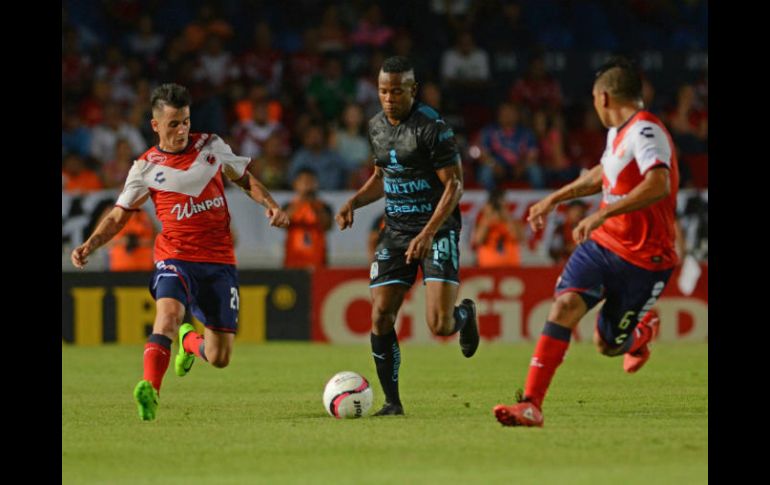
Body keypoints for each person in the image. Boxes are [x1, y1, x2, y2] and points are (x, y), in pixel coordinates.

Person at [71, 83, 289, 421]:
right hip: (174, 257)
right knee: (169, 316)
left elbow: (246, 179)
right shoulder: (145, 168)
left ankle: (189, 344)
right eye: (173, 123)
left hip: (218, 261)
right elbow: (118, 216)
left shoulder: (212, 146)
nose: (182, 130)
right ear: (156, 125)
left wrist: (271, 205)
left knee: (219, 357)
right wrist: (91, 243)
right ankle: (150, 391)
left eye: (185, 121)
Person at [493, 57, 679, 427]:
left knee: (607, 345)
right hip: (604, 245)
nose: (594, 106)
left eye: (595, 99)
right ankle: (531, 404)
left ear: (605, 97)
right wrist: (554, 198)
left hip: (645, 258)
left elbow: (659, 182)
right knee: (563, 308)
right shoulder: (618, 133)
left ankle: (641, 332)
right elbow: (602, 174)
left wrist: (602, 213)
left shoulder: (646, 132)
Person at [335, 56, 479, 416]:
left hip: (438, 229)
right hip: (396, 232)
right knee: (381, 315)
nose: (389, 97)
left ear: (412, 90)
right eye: (383, 90)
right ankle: (392, 402)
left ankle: (465, 315)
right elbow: (384, 176)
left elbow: (455, 185)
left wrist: (428, 232)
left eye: (397, 91)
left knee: (439, 325)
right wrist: (354, 201)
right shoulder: (375, 127)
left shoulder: (432, 127)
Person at [282, 168, 334, 270]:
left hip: (318, 264)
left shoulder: (323, 206)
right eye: (304, 182)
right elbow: (283, 223)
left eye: (311, 181)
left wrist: (313, 204)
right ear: (295, 184)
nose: (308, 185)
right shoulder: (289, 206)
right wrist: (301, 201)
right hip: (293, 263)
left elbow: (328, 225)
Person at [472, 188, 525, 268]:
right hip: (487, 270)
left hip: (512, 270)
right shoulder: (483, 222)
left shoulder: (514, 221)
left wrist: (507, 218)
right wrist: (487, 217)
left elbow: (520, 238)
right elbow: (478, 240)